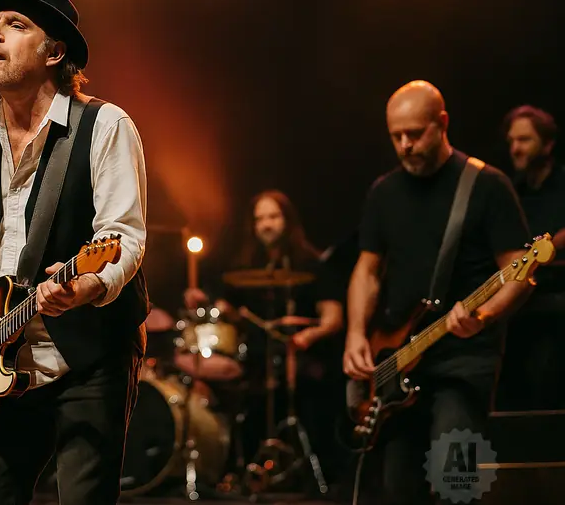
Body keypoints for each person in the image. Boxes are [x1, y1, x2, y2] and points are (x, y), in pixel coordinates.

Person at [0, 0, 149, 505]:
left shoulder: (104, 125)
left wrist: (89, 284)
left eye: (14, 25)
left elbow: (123, 236)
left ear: (55, 52)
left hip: (88, 356)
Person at [343, 80, 533, 504]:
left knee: (457, 482)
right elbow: (367, 270)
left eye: (416, 133)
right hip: (400, 358)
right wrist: (356, 333)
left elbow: (518, 272)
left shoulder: (487, 186)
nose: (406, 145)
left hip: (464, 363)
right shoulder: (384, 191)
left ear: (442, 123)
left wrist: (483, 316)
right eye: (397, 136)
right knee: (397, 487)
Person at [185, 190, 345, 488]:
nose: (266, 225)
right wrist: (206, 302)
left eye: (273, 217)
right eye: (259, 219)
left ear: (288, 220)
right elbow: (230, 311)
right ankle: (240, 470)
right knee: (246, 398)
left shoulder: (312, 264)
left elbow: (333, 318)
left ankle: (318, 474)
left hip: (306, 359)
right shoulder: (246, 265)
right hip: (259, 360)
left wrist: (309, 337)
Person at [495, 105, 565, 410]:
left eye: (524, 140)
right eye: (511, 141)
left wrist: (546, 248)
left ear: (548, 145)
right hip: (519, 302)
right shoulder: (510, 191)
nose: (515, 148)